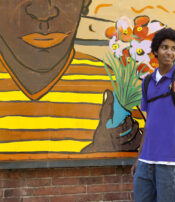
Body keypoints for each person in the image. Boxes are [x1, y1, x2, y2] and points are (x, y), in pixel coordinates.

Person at [0, 0, 141, 153]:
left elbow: (153, 154)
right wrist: (97, 154)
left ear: (85, 3)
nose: (44, 12)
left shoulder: (115, 89)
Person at [131, 28, 175, 202]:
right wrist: (139, 157)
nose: (169, 52)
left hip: (171, 161)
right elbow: (149, 123)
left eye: (174, 49)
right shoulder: (147, 82)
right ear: (155, 51)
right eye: (164, 47)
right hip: (146, 161)